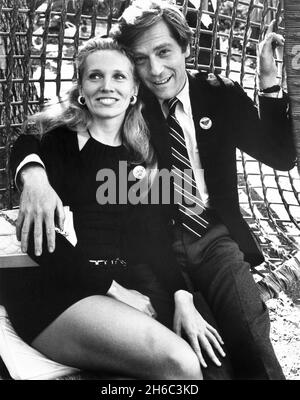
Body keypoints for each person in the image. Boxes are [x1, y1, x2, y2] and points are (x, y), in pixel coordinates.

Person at [10, 0, 295, 379]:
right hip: (147, 242)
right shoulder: (123, 97)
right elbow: (40, 133)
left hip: (208, 232)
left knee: (248, 331)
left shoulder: (217, 94)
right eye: (141, 59)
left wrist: (270, 84)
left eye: (164, 52)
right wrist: (33, 176)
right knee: (207, 357)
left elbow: (280, 155)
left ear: (186, 48)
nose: (156, 70)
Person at [5, 36, 231, 380]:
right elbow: (44, 245)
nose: (106, 86)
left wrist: (182, 296)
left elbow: (154, 237)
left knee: (213, 357)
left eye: (118, 77)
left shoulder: (140, 156)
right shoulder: (58, 143)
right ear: (81, 87)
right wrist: (33, 177)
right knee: (179, 363)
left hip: (112, 283)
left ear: (134, 91)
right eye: (95, 76)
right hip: (54, 289)